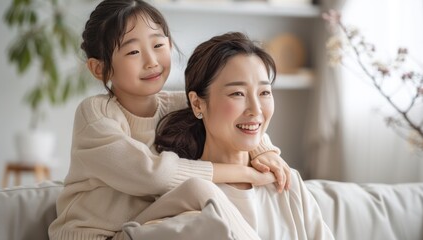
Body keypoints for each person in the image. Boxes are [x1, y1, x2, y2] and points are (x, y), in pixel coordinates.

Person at [48, 1, 292, 239]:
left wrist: (263, 151)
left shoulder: (178, 104)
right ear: (99, 68)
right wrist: (244, 173)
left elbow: (230, 114)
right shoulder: (95, 114)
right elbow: (151, 175)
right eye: (133, 51)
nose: (152, 61)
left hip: (144, 227)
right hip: (95, 235)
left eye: (158, 45)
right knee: (198, 190)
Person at [155, 32, 335, 239]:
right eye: (237, 93)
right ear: (197, 104)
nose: (256, 109)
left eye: (264, 92)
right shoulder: (185, 194)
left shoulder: (287, 181)